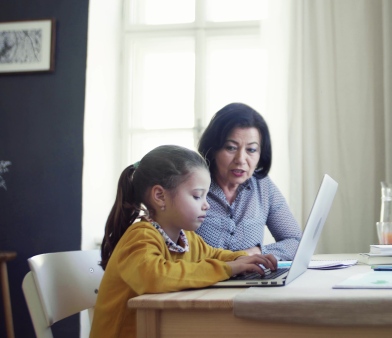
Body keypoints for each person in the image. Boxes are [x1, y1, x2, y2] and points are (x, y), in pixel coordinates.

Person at [90, 145, 277, 338]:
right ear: (160, 196)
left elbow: (216, 255)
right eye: (197, 196)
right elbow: (155, 277)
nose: (207, 204)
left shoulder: (187, 238)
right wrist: (229, 268)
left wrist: (244, 259)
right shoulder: (141, 236)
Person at [196, 103, 302, 261]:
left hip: (251, 281)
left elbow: (296, 242)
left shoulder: (263, 186)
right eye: (231, 148)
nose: (240, 160)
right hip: (204, 282)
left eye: (251, 150)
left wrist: (255, 253)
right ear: (214, 149)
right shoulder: (192, 185)